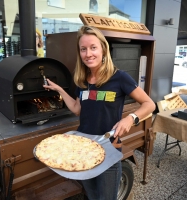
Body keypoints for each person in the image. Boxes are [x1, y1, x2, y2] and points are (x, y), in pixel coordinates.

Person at [43, 25, 155, 200]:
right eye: (83, 49)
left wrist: (130, 119)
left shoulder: (119, 77)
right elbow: (77, 109)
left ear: (103, 49)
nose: (88, 54)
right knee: (92, 196)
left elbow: (149, 104)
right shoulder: (81, 80)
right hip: (84, 151)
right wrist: (59, 90)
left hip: (109, 149)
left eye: (93, 47)